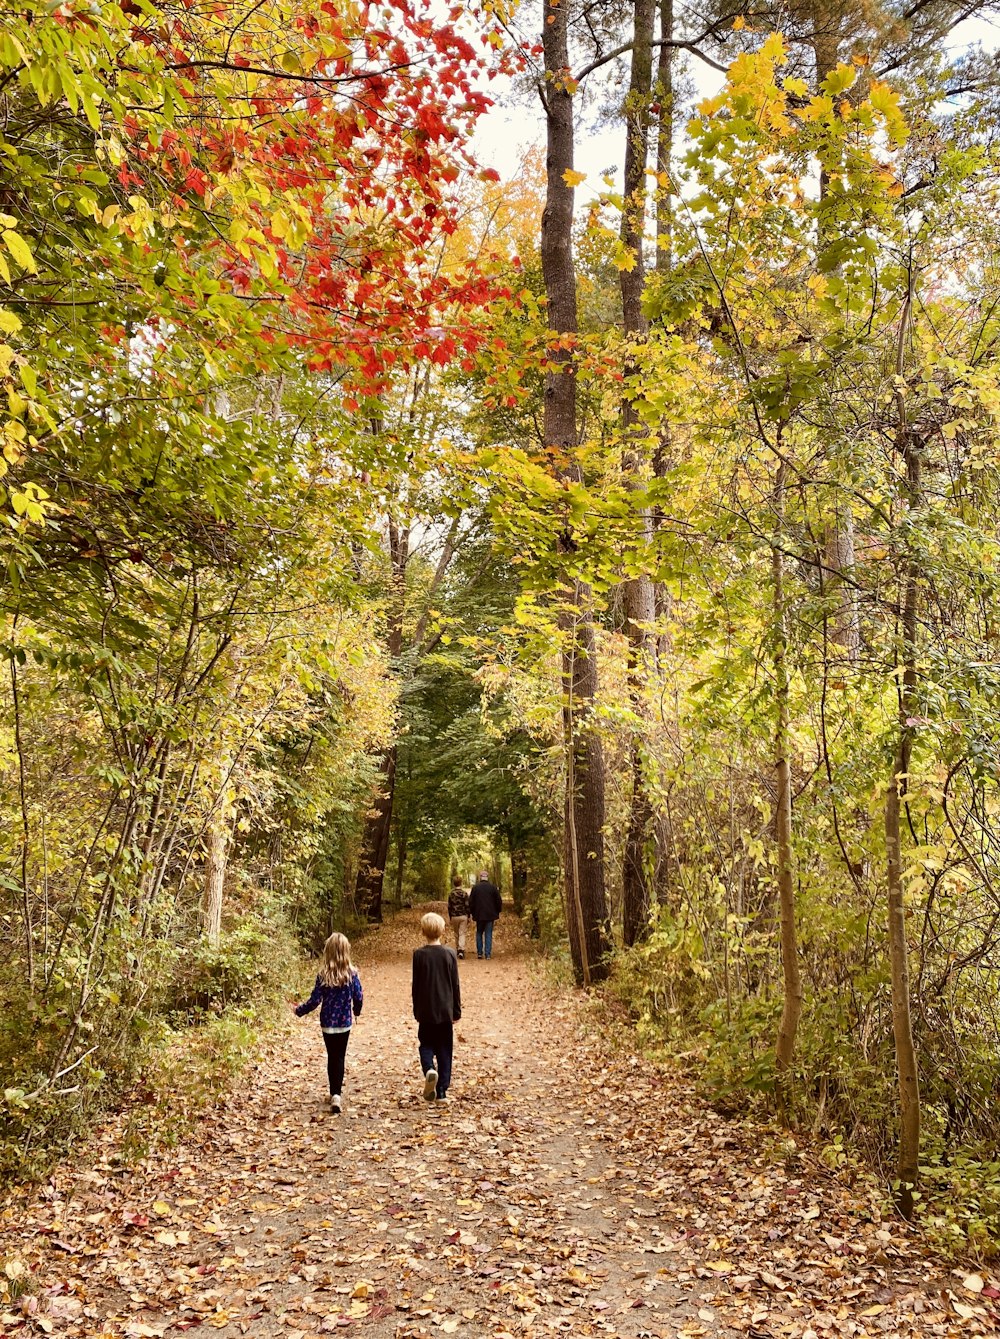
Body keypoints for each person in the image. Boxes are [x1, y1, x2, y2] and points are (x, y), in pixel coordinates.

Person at [293, 932, 363, 1114]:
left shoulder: (323, 975)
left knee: (332, 1056)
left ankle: (334, 1093)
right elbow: (359, 996)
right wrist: (357, 1010)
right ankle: (336, 1095)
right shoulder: (352, 974)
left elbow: (315, 1000)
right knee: (340, 1056)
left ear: (328, 952)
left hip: (327, 1023)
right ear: (346, 951)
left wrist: (299, 1011)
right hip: (344, 1022)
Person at [411, 911, 461, 1103]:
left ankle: (429, 1069)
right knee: (444, 1050)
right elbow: (455, 984)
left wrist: (416, 1009)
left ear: (423, 932)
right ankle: (441, 1092)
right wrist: (456, 1010)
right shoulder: (449, 954)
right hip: (445, 1010)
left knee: (426, 1044)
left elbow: (416, 985)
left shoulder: (419, 955)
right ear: (442, 931)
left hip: (426, 1011)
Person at [469, 869, 502, 960]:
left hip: (479, 914)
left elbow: (471, 902)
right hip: (490, 915)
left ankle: (479, 953)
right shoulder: (493, 888)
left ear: (480, 878)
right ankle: (487, 954)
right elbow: (498, 901)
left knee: (479, 932)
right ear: (487, 878)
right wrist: (498, 911)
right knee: (488, 933)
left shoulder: (475, 888)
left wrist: (472, 912)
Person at [447, 874, 470, 959]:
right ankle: (461, 950)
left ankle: (458, 949)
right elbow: (467, 905)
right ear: (461, 883)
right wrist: (469, 915)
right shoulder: (464, 894)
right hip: (463, 915)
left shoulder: (451, 894)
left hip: (454, 916)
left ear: (454, 883)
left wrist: (450, 917)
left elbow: (449, 906)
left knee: (456, 934)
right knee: (462, 933)